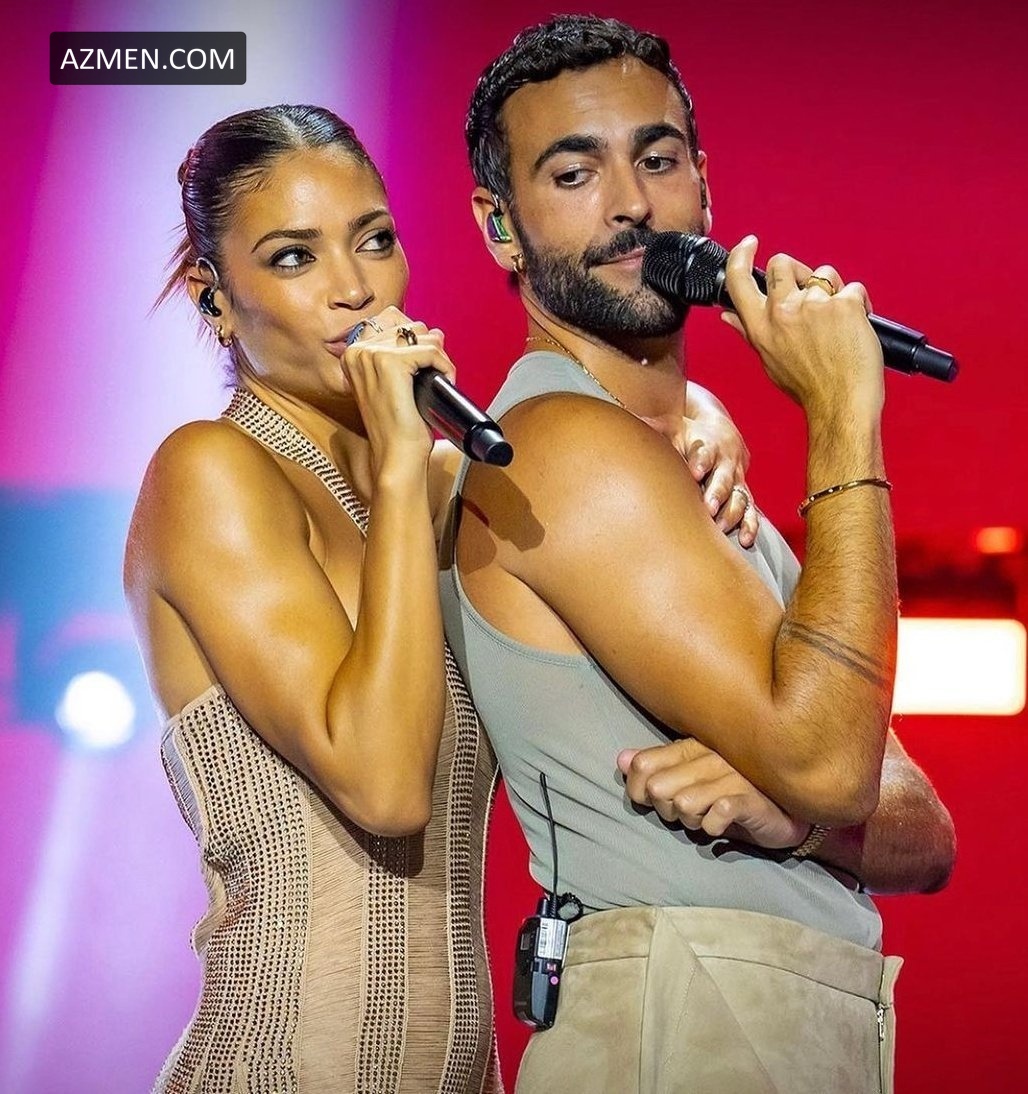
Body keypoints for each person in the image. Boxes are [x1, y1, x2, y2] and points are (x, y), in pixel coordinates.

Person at [125, 103, 759, 1093]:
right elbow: (384, 786)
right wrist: (396, 465)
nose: (353, 288)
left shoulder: (444, 490)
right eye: (293, 257)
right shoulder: (211, 471)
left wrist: (692, 416)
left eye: (375, 240)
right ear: (216, 299)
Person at [441, 16, 956, 1093]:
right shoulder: (560, 449)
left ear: (705, 187)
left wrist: (796, 821)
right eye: (574, 172)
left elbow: (923, 831)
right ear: (499, 227)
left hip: (771, 1014)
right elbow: (836, 766)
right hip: (675, 1015)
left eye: (658, 158)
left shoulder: (691, 472)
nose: (630, 202)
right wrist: (842, 416)